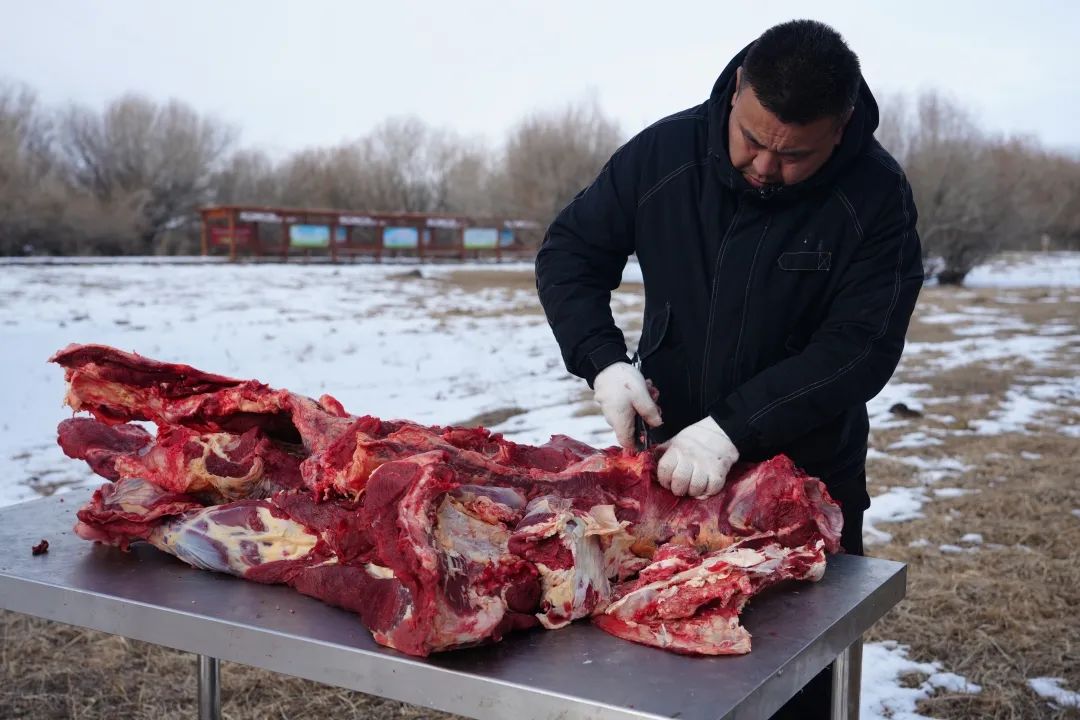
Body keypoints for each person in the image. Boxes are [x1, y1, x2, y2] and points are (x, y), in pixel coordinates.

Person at [535, 19, 923, 718]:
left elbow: (860, 347)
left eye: (794, 154)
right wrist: (602, 362)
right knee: (664, 678)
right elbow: (570, 253)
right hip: (667, 479)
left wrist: (734, 429)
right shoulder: (665, 155)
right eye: (752, 140)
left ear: (840, 128)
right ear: (738, 87)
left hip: (805, 484)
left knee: (794, 686)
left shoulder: (875, 195)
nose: (766, 167)